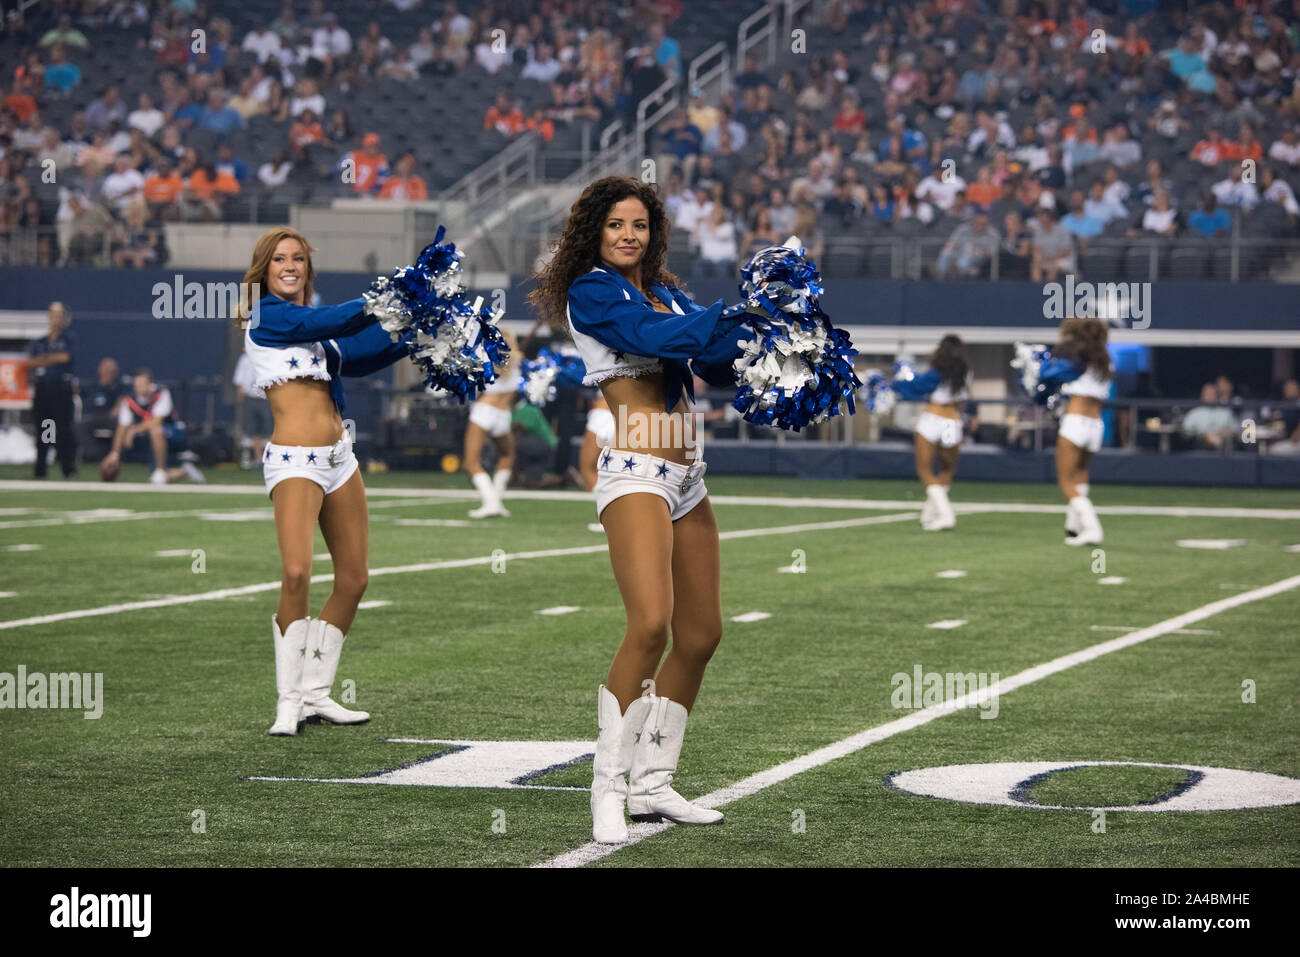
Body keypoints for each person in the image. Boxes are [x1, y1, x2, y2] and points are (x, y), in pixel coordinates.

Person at [527, 176, 749, 843]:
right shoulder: (593, 291)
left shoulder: (669, 291)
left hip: (689, 474)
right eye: (617, 224)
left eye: (641, 225)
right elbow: (647, 335)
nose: (630, 235)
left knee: (702, 632)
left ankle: (654, 784)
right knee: (651, 624)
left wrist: (769, 339)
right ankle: (608, 785)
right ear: (594, 231)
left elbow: (713, 359)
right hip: (636, 471)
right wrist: (731, 312)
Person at [239, 226, 411, 736]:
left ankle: (316, 693)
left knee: (354, 578)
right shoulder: (269, 315)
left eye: (297, 259)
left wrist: (418, 332)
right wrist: (386, 297)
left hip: (340, 458)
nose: (289, 266)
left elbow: (361, 355)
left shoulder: (315, 333)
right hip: (295, 460)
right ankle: (288, 699)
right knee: (296, 573)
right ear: (264, 270)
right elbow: (335, 317)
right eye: (279, 260)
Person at [1038, 318, 1113, 545]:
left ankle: (1092, 527)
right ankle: (1074, 526)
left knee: (1065, 480)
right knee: (1080, 473)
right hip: (1096, 425)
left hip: (1076, 421)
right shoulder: (1106, 361)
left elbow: (1051, 375)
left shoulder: (1077, 357)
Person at [889, 336, 971, 530]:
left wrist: (894, 384)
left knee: (925, 471)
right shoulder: (966, 372)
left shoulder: (937, 372)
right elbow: (963, 401)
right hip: (952, 422)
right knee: (947, 470)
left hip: (932, 420)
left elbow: (916, 388)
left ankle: (946, 514)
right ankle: (929, 515)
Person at [103, 368, 204, 485]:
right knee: (156, 476)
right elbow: (122, 426)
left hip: (175, 432)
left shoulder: (161, 393)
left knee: (155, 430)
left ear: (150, 384)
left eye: (142, 384)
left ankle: (161, 471)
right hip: (154, 439)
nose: (139, 388)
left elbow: (157, 421)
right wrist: (115, 453)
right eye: (137, 384)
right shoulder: (129, 400)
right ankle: (185, 471)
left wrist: (133, 430)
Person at [463, 329, 520, 518]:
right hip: (504, 414)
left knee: (471, 462)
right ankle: (496, 502)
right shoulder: (518, 363)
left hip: (484, 412)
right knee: (507, 456)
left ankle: (491, 503)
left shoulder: (486, 359)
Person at [26, 302, 77, 479]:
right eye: (53, 315)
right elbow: (31, 362)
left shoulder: (68, 339)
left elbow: (65, 357)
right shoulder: (40, 341)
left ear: (64, 318)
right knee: (43, 429)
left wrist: (44, 359)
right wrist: (50, 359)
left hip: (60, 389)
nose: (55, 319)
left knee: (63, 429)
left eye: (59, 315)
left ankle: (68, 468)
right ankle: (40, 469)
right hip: (43, 389)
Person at [1181, 383, 1237, 450]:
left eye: (1213, 394)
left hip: (1223, 451)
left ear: (1218, 395)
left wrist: (1228, 432)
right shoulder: (1194, 413)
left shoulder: (1226, 412)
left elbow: (1237, 432)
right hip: (1199, 449)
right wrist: (1203, 435)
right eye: (1208, 394)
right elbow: (1185, 432)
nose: (1211, 397)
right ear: (1202, 396)